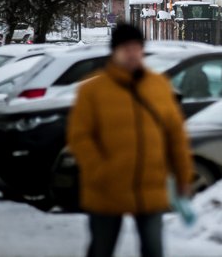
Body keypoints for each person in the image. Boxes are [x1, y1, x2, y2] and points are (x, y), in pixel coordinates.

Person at [68, 24, 193, 257]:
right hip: (106, 189)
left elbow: (175, 135)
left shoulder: (159, 86)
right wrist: (100, 171)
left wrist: (183, 177)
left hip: (151, 186)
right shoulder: (93, 90)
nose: (132, 53)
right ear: (114, 51)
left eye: (137, 47)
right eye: (126, 48)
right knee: (101, 249)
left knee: (154, 250)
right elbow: (80, 137)